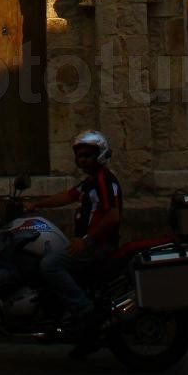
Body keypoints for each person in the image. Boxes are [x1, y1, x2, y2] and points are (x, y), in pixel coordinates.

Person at [28, 129, 123, 330]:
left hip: (98, 246)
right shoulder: (91, 181)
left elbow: (113, 216)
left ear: (100, 154)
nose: (83, 161)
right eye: (80, 156)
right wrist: (37, 205)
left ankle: (85, 311)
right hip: (91, 244)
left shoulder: (103, 180)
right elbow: (69, 195)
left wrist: (86, 240)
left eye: (88, 156)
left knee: (50, 264)